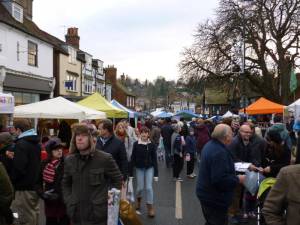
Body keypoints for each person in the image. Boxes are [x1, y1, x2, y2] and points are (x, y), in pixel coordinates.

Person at [62, 123, 122, 225]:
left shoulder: (105, 159)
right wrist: (69, 202)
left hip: (98, 216)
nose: (79, 138)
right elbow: (66, 183)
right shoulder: (69, 160)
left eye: (84, 135)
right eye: (77, 135)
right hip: (77, 215)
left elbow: (117, 180)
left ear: (91, 139)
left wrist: (107, 204)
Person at [196, 124, 245, 225]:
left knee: (210, 221)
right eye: (232, 134)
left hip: (207, 194)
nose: (233, 136)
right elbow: (219, 180)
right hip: (214, 198)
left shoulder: (211, 144)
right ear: (226, 137)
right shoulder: (219, 152)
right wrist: (238, 179)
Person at [228, 124, 266, 223]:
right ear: (240, 131)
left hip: (244, 171)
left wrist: (257, 166)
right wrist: (249, 165)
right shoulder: (234, 142)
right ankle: (232, 214)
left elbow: (250, 156)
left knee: (241, 194)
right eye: (246, 132)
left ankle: (237, 212)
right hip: (235, 172)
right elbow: (233, 159)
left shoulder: (247, 141)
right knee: (235, 194)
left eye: (250, 132)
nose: (248, 134)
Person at [10, 119, 41, 225]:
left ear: (19, 129)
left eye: (14, 129)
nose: (13, 132)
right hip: (34, 185)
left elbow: (20, 167)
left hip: (23, 187)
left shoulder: (21, 143)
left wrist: (12, 180)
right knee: (33, 214)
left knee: (22, 217)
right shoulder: (35, 142)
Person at [38, 137, 69, 225]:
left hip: (64, 203)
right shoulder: (44, 164)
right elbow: (37, 183)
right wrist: (43, 194)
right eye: (56, 149)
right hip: (50, 202)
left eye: (60, 148)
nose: (59, 151)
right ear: (50, 151)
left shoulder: (67, 163)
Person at [130, 127, 158, 217]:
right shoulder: (136, 144)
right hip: (139, 168)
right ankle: (138, 202)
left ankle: (150, 207)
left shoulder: (152, 144)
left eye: (146, 132)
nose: (144, 134)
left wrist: (156, 174)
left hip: (149, 168)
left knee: (149, 188)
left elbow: (154, 159)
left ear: (148, 134)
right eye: (142, 132)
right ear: (140, 134)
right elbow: (133, 158)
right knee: (140, 188)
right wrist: (130, 173)